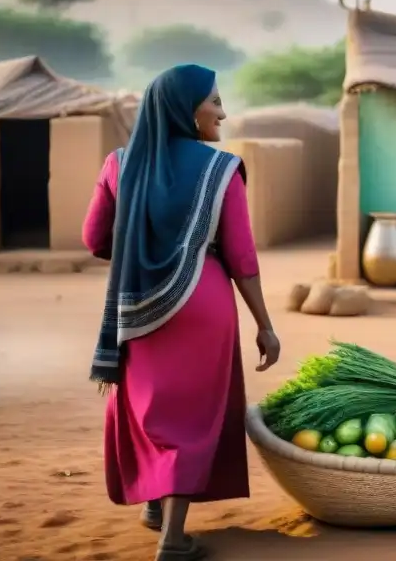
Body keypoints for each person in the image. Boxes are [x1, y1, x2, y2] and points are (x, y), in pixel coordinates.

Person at [82, 64, 281, 561]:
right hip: (204, 303)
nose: (223, 111)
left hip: (137, 304)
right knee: (193, 415)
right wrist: (265, 324)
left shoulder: (118, 164)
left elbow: (94, 239)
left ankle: (154, 506)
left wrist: (142, 248)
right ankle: (173, 538)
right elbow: (242, 257)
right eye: (214, 101)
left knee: (149, 407)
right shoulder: (221, 170)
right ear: (185, 109)